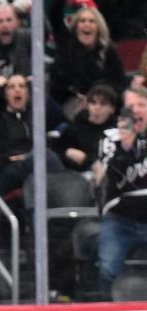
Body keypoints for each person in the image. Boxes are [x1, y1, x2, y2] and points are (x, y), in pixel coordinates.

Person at [0, 73, 66, 195]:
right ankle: (66, 194)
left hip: (34, 167)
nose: (17, 90)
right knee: (45, 156)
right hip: (7, 170)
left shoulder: (34, 116)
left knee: (45, 157)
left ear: (28, 94)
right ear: (5, 94)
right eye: (11, 87)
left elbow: (59, 116)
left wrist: (39, 90)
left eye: (22, 86)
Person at [94, 94, 147, 297]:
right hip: (121, 219)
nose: (135, 110)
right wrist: (126, 146)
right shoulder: (110, 137)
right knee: (108, 267)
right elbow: (109, 176)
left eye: (141, 105)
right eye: (130, 106)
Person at [56, 82, 118, 172]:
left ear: (112, 109)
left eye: (103, 104)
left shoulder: (116, 131)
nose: (97, 108)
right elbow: (57, 148)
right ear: (88, 105)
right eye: (93, 103)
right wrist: (67, 152)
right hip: (72, 175)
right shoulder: (78, 124)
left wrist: (86, 160)